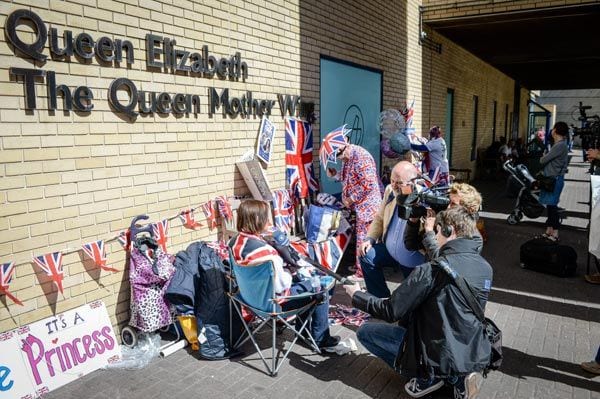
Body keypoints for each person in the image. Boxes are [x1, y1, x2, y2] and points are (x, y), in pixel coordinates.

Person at [344, 206, 493, 399]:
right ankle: (457, 378)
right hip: (469, 345)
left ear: (449, 231)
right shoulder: (485, 267)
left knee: (366, 333)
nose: (435, 236)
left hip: (437, 347)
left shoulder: (430, 270)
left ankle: (427, 376)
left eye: (438, 231)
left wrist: (357, 295)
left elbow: (390, 311)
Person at [228, 199, 340, 349]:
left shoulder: (234, 243)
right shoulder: (267, 254)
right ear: (257, 220)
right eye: (265, 217)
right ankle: (320, 339)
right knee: (320, 287)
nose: (268, 221)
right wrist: (289, 271)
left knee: (304, 283)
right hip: (272, 305)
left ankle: (304, 333)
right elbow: (282, 285)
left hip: (247, 299)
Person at [357, 161, 425, 298]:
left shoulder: (424, 198)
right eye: (392, 180)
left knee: (412, 302)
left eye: (399, 183)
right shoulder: (390, 191)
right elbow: (380, 217)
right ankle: (380, 299)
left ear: (412, 182)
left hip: (412, 259)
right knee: (366, 255)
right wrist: (369, 239)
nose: (394, 185)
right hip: (390, 251)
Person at [326, 142, 383, 279]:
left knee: (364, 239)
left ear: (345, 146)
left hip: (368, 206)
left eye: (339, 155)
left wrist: (350, 199)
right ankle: (362, 267)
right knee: (362, 237)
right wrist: (335, 175)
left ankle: (362, 272)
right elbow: (349, 178)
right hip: (361, 206)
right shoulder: (348, 158)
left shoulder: (361, 156)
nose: (340, 159)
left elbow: (368, 183)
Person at [404, 182, 483, 260]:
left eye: (453, 204)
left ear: (468, 210)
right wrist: (413, 222)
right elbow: (411, 245)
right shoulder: (442, 219)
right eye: (449, 202)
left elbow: (444, 262)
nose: (448, 207)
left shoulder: (474, 239)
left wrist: (429, 232)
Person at [537, 121, 569, 242]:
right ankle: (549, 230)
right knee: (550, 206)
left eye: (553, 129)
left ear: (555, 131)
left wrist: (544, 155)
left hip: (554, 180)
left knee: (552, 206)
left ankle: (555, 233)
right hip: (552, 179)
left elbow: (543, 160)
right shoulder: (560, 144)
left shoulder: (559, 145)